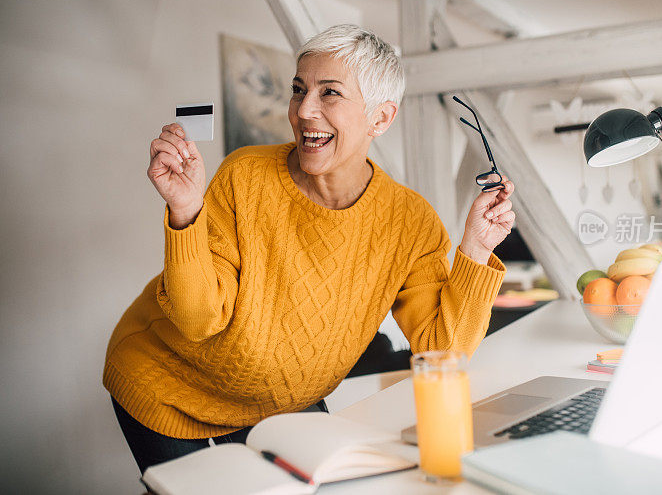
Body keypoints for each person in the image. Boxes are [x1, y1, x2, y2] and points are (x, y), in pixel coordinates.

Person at [103, 24, 515, 474]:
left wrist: (474, 248)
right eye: (298, 91)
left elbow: (442, 351)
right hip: (167, 384)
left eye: (329, 93)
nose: (304, 111)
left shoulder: (411, 222)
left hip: (283, 404)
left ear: (380, 118)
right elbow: (198, 318)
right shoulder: (245, 175)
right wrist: (185, 210)